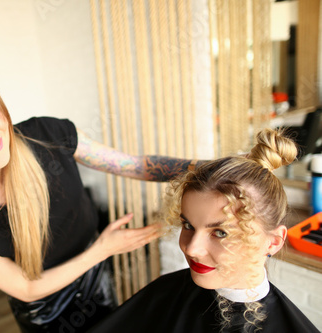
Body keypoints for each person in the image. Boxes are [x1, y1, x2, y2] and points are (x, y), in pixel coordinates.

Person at [0, 54, 199, 332]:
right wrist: (102, 250)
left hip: (96, 279)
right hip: (45, 309)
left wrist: (209, 168)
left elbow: (135, 165)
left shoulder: (48, 135)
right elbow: (26, 288)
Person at [89, 128, 319, 333]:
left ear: (273, 242)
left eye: (220, 232)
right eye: (188, 225)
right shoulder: (164, 294)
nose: (191, 248)